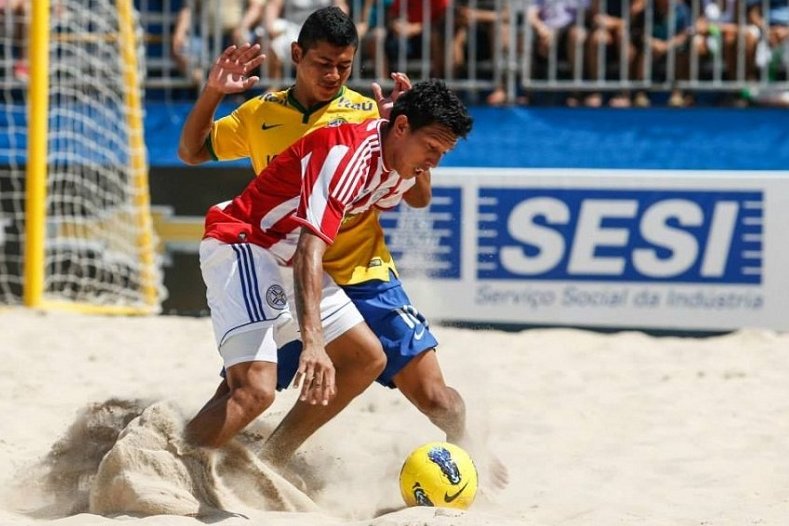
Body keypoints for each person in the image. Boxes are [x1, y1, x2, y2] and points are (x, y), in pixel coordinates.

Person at [179, 6, 506, 488]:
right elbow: (195, 153)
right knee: (251, 391)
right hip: (263, 248)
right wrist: (313, 341)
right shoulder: (283, 121)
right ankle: (164, 463)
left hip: (352, 267)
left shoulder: (380, 126)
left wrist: (414, 141)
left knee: (376, 364)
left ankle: (270, 463)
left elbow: (413, 190)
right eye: (324, 63)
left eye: (345, 65)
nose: (334, 74)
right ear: (297, 56)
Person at [172, 0, 266, 86]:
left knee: (245, 42)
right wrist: (179, 32)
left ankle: (239, 88)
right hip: (207, 39)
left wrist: (242, 27)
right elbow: (189, 8)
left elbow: (256, 7)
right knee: (181, 49)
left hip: (236, 36)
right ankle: (208, 87)